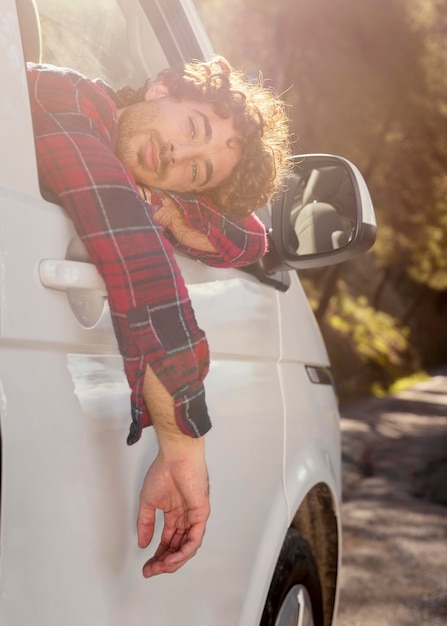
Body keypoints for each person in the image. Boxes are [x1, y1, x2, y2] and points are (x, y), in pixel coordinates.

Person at [27, 55, 291, 577]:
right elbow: (135, 250)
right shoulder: (66, 97)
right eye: (193, 126)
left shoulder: (145, 178)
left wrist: (172, 209)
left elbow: (253, 239)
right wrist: (181, 441)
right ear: (161, 88)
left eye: (195, 171)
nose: (176, 154)